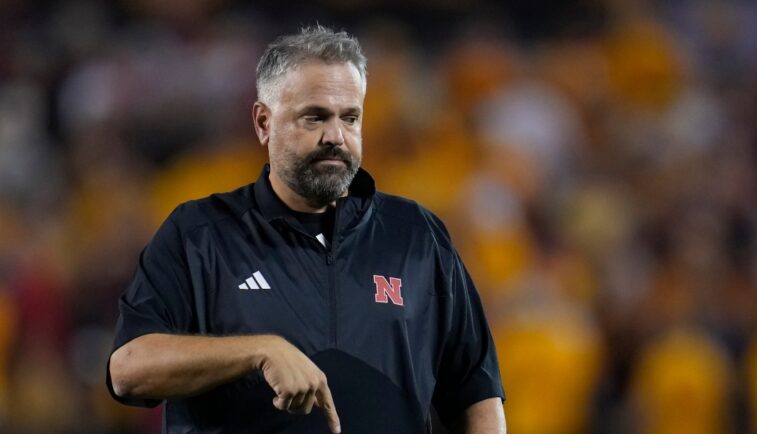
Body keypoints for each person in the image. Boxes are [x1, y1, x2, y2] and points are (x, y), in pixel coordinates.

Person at [106, 25, 506, 434]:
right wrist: (258, 351)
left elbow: (477, 393)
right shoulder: (201, 234)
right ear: (263, 122)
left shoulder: (417, 236)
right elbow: (129, 369)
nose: (335, 136)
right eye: (314, 117)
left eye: (350, 118)